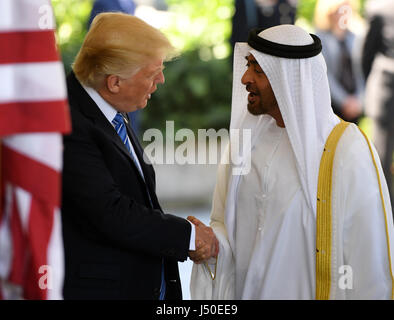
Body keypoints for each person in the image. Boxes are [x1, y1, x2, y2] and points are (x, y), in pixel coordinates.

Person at [190, 24, 394, 299]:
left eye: (258, 70)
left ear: (289, 78)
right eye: (248, 65)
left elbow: (369, 256)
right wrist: (212, 244)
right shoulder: (244, 143)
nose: (245, 78)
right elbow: (225, 225)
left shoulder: (346, 149)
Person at [61, 12, 218, 300]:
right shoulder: (71, 123)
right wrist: (189, 237)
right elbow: (110, 212)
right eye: (151, 73)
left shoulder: (109, 107)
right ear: (114, 82)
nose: (160, 80)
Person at [362, 0, 394, 210]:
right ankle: (382, 211)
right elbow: (367, 53)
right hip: (385, 92)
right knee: (381, 158)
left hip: (383, 87)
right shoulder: (380, 9)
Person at [314, 0, 364, 123]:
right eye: (340, 10)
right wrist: (344, 101)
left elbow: (362, 72)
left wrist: (359, 100)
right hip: (333, 106)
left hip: (355, 105)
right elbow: (325, 74)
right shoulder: (320, 39)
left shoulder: (355, 37)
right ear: (329, 12)